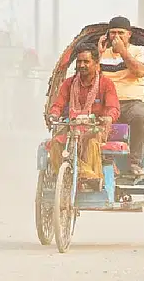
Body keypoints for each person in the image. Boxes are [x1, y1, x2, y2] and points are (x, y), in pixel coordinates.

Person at [47, 42, 120, 180]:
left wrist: (108, 117)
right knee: (55, 143)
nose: (81, 65)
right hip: (72, 128)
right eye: (79, 62)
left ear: (96, 63)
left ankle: (89, 179)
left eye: (86, 62)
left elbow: (113, 108)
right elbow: (58, 104)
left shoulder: (106, 84)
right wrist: (54, 114)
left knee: (91, 143)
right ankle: (66, 179)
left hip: (96, 128)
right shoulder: (69, 83)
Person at [98, 16, 144, 176]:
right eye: (112, 33)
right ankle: (98, 161)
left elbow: (140, 71)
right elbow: (87, 77)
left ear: (129, 34)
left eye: (120, 33)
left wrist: (122, 51)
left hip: (132, 103)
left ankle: (135, 162)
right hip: (105, 103)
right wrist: (98, 54)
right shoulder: (101, 53)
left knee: (141, 117)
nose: (116, 37)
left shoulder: (140, 51)